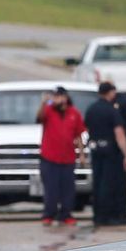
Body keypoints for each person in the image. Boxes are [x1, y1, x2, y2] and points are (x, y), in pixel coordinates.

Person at [35, 86, 86, 227]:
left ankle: (66, 214)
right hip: (49, 157)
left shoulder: (74, 113)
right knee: (51, 188)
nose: (58, 99)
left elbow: (79, 135)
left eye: (60, 96)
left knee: (68, 188)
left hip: (68, 158)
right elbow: (39, 118)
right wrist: (44, 103)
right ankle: (48, 214)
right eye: (56, 96)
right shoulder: (49, 111)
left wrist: (81, 154)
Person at [85, 81, 126, 228]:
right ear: (109, 93)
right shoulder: (112, 110)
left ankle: (97, 216)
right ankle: (107, 216)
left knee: (97, 183)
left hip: (95, 150)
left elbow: (86, 128)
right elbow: (119, 134)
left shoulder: (91, 109)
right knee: (109, 184)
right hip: (110, 152)